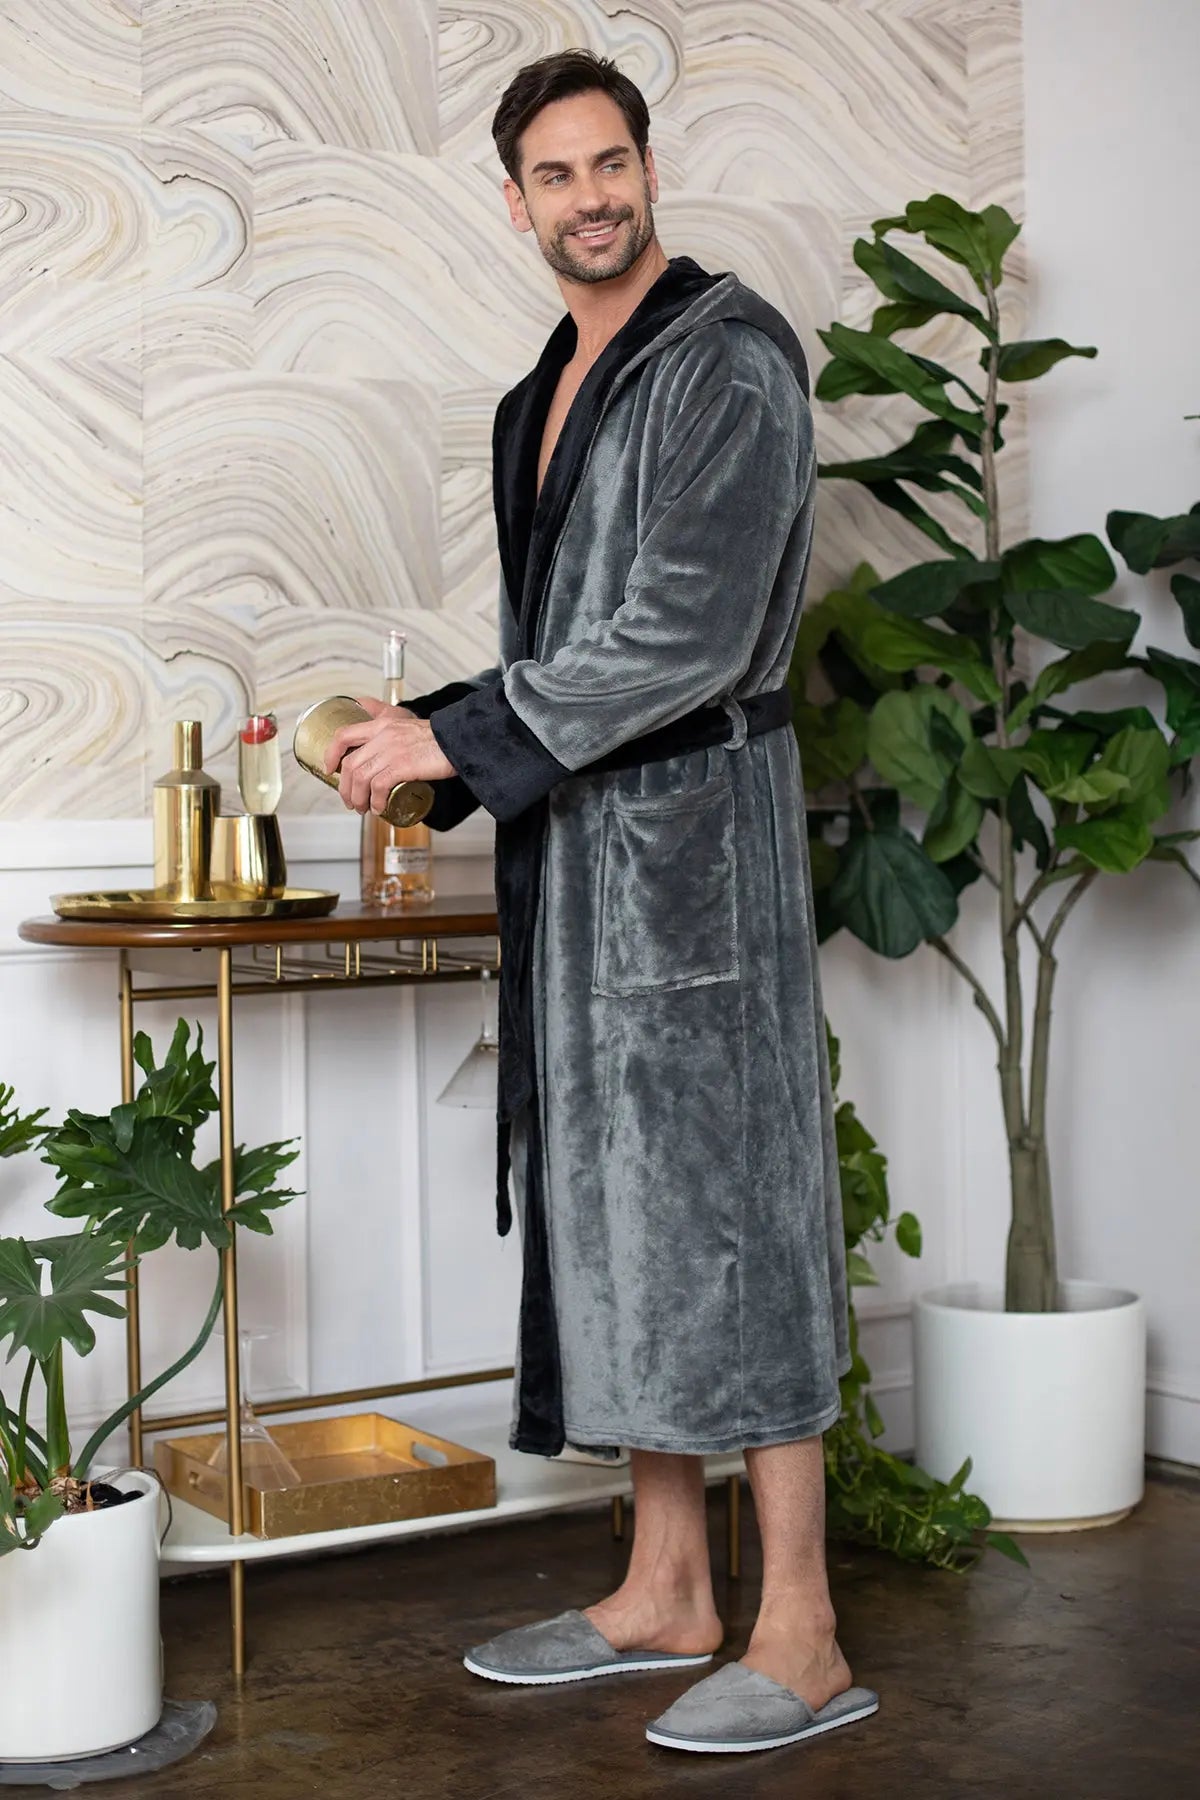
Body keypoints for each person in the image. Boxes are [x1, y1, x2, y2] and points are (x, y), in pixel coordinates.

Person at [324, 48, 876, 1758]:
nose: (593, 196)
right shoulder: (539, 395)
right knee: (625, 1212)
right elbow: (570, 652)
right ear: (515, 204)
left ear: (649, 168)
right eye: (556, 174)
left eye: (612, 161)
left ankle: (802, 1631)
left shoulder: (729, 360)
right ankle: (665, 1587)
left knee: (738, 1213)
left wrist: (459, 734)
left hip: (700, 854)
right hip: (581, 862)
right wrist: (430, 738)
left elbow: (687, 635)